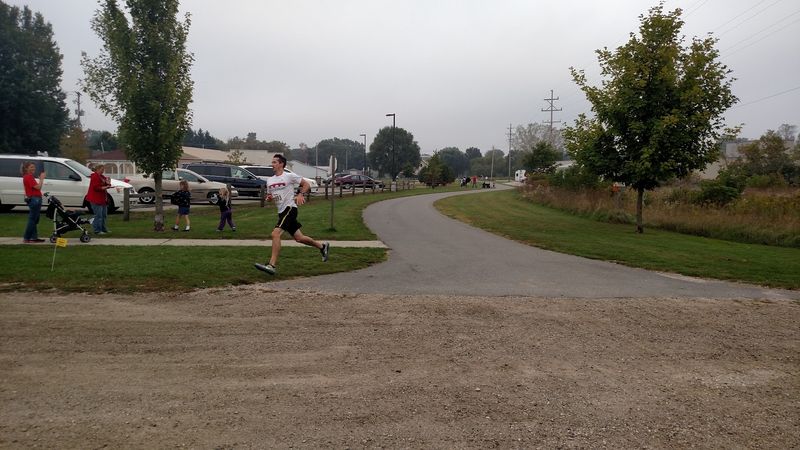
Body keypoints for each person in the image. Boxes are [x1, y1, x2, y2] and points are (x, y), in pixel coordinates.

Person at [255, 154, 329, 275]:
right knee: (299, 238)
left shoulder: (289, 176)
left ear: (281, 164)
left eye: (274, 162)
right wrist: (269, 198)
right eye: (272, 162)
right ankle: (322, 247)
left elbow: (306, 185)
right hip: (281, 212)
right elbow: (270, 196)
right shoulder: (270, 180)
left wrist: (300, 194)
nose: (272, 164)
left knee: (275, 234)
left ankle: (271, 265)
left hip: (290, 209)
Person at [21, 162, 46, 243]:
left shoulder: (28, 177)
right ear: (26, 168)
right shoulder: (28, 177)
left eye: (34, 167)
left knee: (35, 219)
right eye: (31, 167)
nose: (33, 169)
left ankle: (34, 237)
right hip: (35, 199)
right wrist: (42, 179)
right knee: (32, 219)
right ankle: (26, 237)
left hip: (35, 199)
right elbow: (38, 187)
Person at [86, 164, 113, 235]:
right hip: (95, 199)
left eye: (103, 170)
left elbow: (107, 185)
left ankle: (103, 229)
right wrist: (105, 187)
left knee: (104, 215)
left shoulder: (102, 177)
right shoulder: (94, 176)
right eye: (102, 169)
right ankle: (97, 230)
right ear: (97, 169)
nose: (103, 171)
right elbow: (96, 188)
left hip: (102, 199)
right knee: (98, 215)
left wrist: (108, 183)